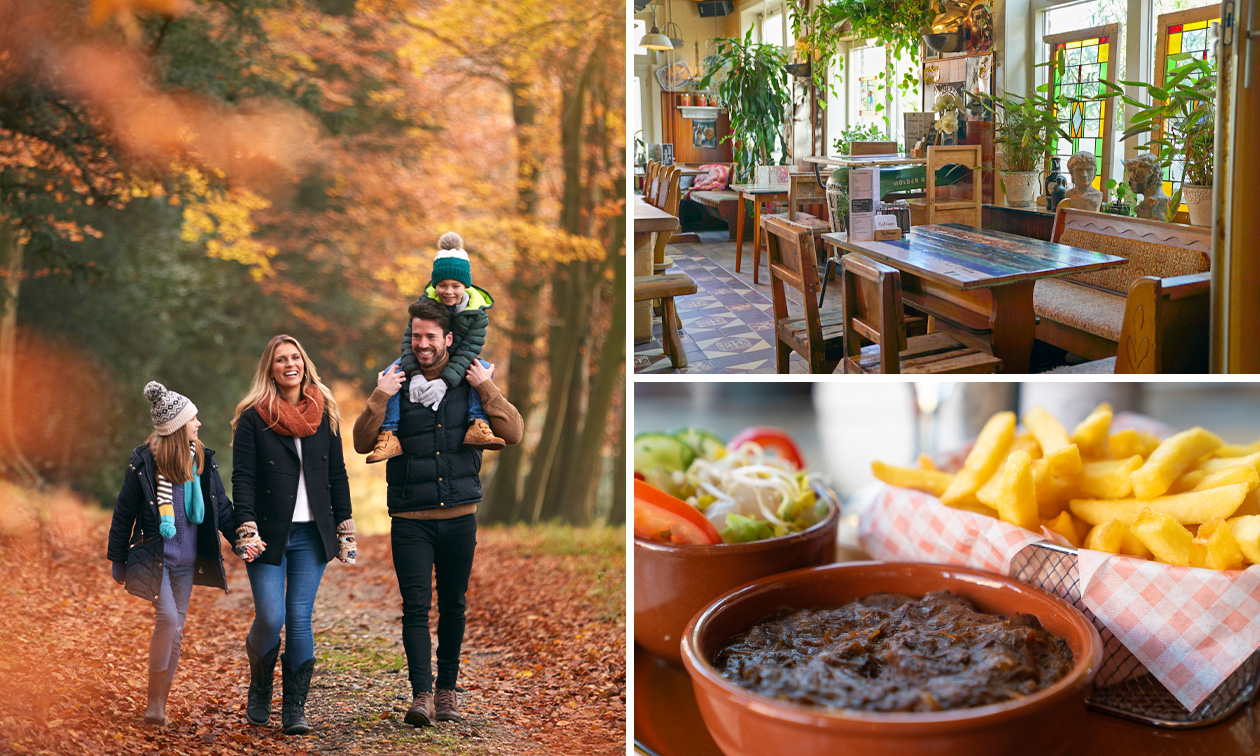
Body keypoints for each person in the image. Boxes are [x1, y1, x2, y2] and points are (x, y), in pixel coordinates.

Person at [353, 298, 523, 727]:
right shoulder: (396, 381)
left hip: (460, 517)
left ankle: (446, 692)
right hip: (410, 519)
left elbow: (514, 433)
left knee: (453, 606)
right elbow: (360, 442)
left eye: (431, 336)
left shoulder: (469, 380)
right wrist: (379, 394)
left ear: (448, 339)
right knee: (415, 608)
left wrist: (487, 387)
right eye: (416, 336)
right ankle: (422, 696)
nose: (423, 343)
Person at [230, 334, 355, 735]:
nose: (290, 365)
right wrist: (245, 523)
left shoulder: (325, 412)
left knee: (300, 619)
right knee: (271, 615)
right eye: (281, 359)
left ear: (304, 363)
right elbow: (243, 476)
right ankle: (261, 684)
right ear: (270, 368)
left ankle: (295, 708)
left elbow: (336, 474)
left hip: (313, 534)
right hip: (267, 533)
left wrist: (345, 523)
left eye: (295, 357)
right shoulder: (254, 416)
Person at [106, 381, 238, 726]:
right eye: (193, 419)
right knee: (167, 620)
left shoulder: (202, 463)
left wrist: (243, 539)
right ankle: (153, 702)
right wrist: (117, 558)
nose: (198, 424)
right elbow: (124, 512)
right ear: (179, 427)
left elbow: (221, 509)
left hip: (187, 563)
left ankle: (159, 703)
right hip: (157, 559)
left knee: (176, 629)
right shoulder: (145, 465)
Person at [367, 231, 504, 463]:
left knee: (481, 371)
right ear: (434, 284)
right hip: (426, 357)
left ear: (465, 286)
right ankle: (388, 433)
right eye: (442, 285)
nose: (448, 292)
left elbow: (470, 349)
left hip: (460, 357)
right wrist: (417, 374)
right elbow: (409, 342)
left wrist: (445, 381)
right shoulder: (424, 306)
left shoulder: (477, 315)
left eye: (455, 285)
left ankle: (478, 423)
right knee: (393, 372)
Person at [1125, 152, 1170, 221]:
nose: (1129, 183)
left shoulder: (1148, 206)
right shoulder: (1168, 201)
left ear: (1148, 180)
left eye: (1134, 179)